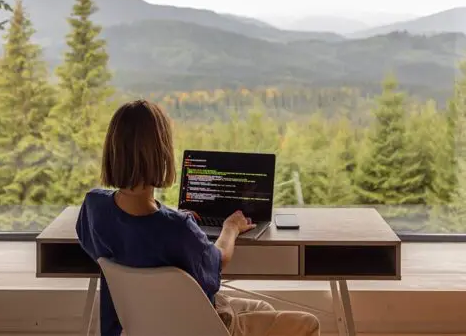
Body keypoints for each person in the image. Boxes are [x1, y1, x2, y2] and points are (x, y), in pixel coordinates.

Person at [76, 99, 321, 336]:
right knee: (308, 323)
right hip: (201, 328)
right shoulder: (178, 229)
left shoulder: (94, 205)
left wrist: (171, 216)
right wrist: (231, 227)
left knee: (264, 310)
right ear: (161, 154)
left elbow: (120, 237)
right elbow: (218, 261)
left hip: (135, 327)